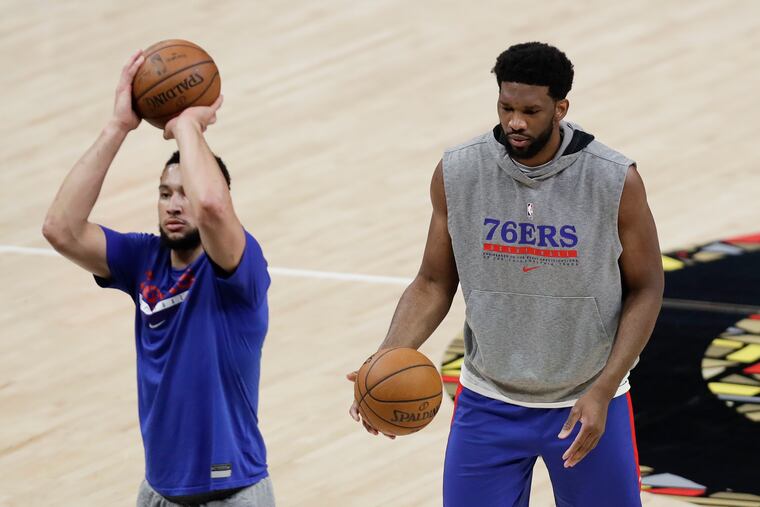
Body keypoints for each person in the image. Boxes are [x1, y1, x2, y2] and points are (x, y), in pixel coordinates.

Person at [347, 42, 664, 506]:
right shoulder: (458, 171)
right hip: (487, 401)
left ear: (561, 108)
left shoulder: (614, 179)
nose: (515, 121)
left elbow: (647, 287)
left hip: (586, 401)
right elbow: (434, 281)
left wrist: (605, 387)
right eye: (506, 107)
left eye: (531, 110)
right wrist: (385, 357)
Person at [42, 50, 275, 507]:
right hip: (158, 491)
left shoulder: (238, 269)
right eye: (165, 193)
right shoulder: (143, 259)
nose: (174, 204)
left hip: (229, 493)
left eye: (185, 193)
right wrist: (118, 127)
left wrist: (187, 124)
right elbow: (60, 229)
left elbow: (213, 207)